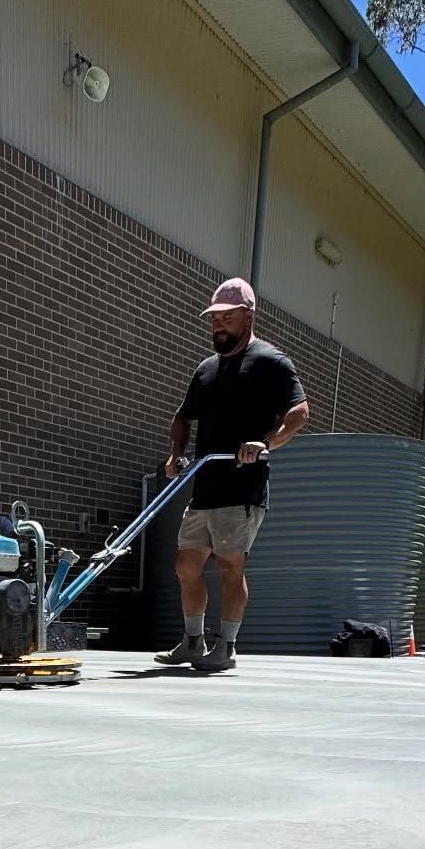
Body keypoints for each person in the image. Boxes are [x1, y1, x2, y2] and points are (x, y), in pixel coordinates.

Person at [155, 277, 309, 672]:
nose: (218, 325)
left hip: (242, 487)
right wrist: (175, 454)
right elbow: (182, 417)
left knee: (229, 566)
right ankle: (193, 641)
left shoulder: (271, 362)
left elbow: (299, 411)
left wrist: (266, 443)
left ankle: (226, 646)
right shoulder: (207, 370)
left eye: (226, 318)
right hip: (205, 485)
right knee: (186, 565)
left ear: (248, 316)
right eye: (214, 319)